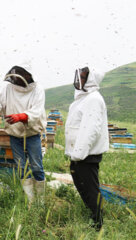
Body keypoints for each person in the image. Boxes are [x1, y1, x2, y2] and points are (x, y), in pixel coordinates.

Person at [0, 65, 46, 203]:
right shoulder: (8, 88)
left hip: (32, 134)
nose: (17, 76)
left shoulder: (38, 90)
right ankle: (30, 200)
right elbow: (0, 106)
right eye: (17, 73)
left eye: (21, 73)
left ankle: (41, 201)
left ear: (28, 75)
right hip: (14, 134)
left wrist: (21, 116)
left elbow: (37, 111)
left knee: (36, 166)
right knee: (21, 166)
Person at [65, 67, 108, 230]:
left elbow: (91, 129)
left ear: (91, 79)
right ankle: (93, 215)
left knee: (90, 188)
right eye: (80, 76)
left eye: (84, 77)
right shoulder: (84, 98)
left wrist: (79, 154)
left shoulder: (93, 99)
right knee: (82, 184)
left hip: (86, 154)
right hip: (80, 153)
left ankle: (98, 224)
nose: (80, 80)